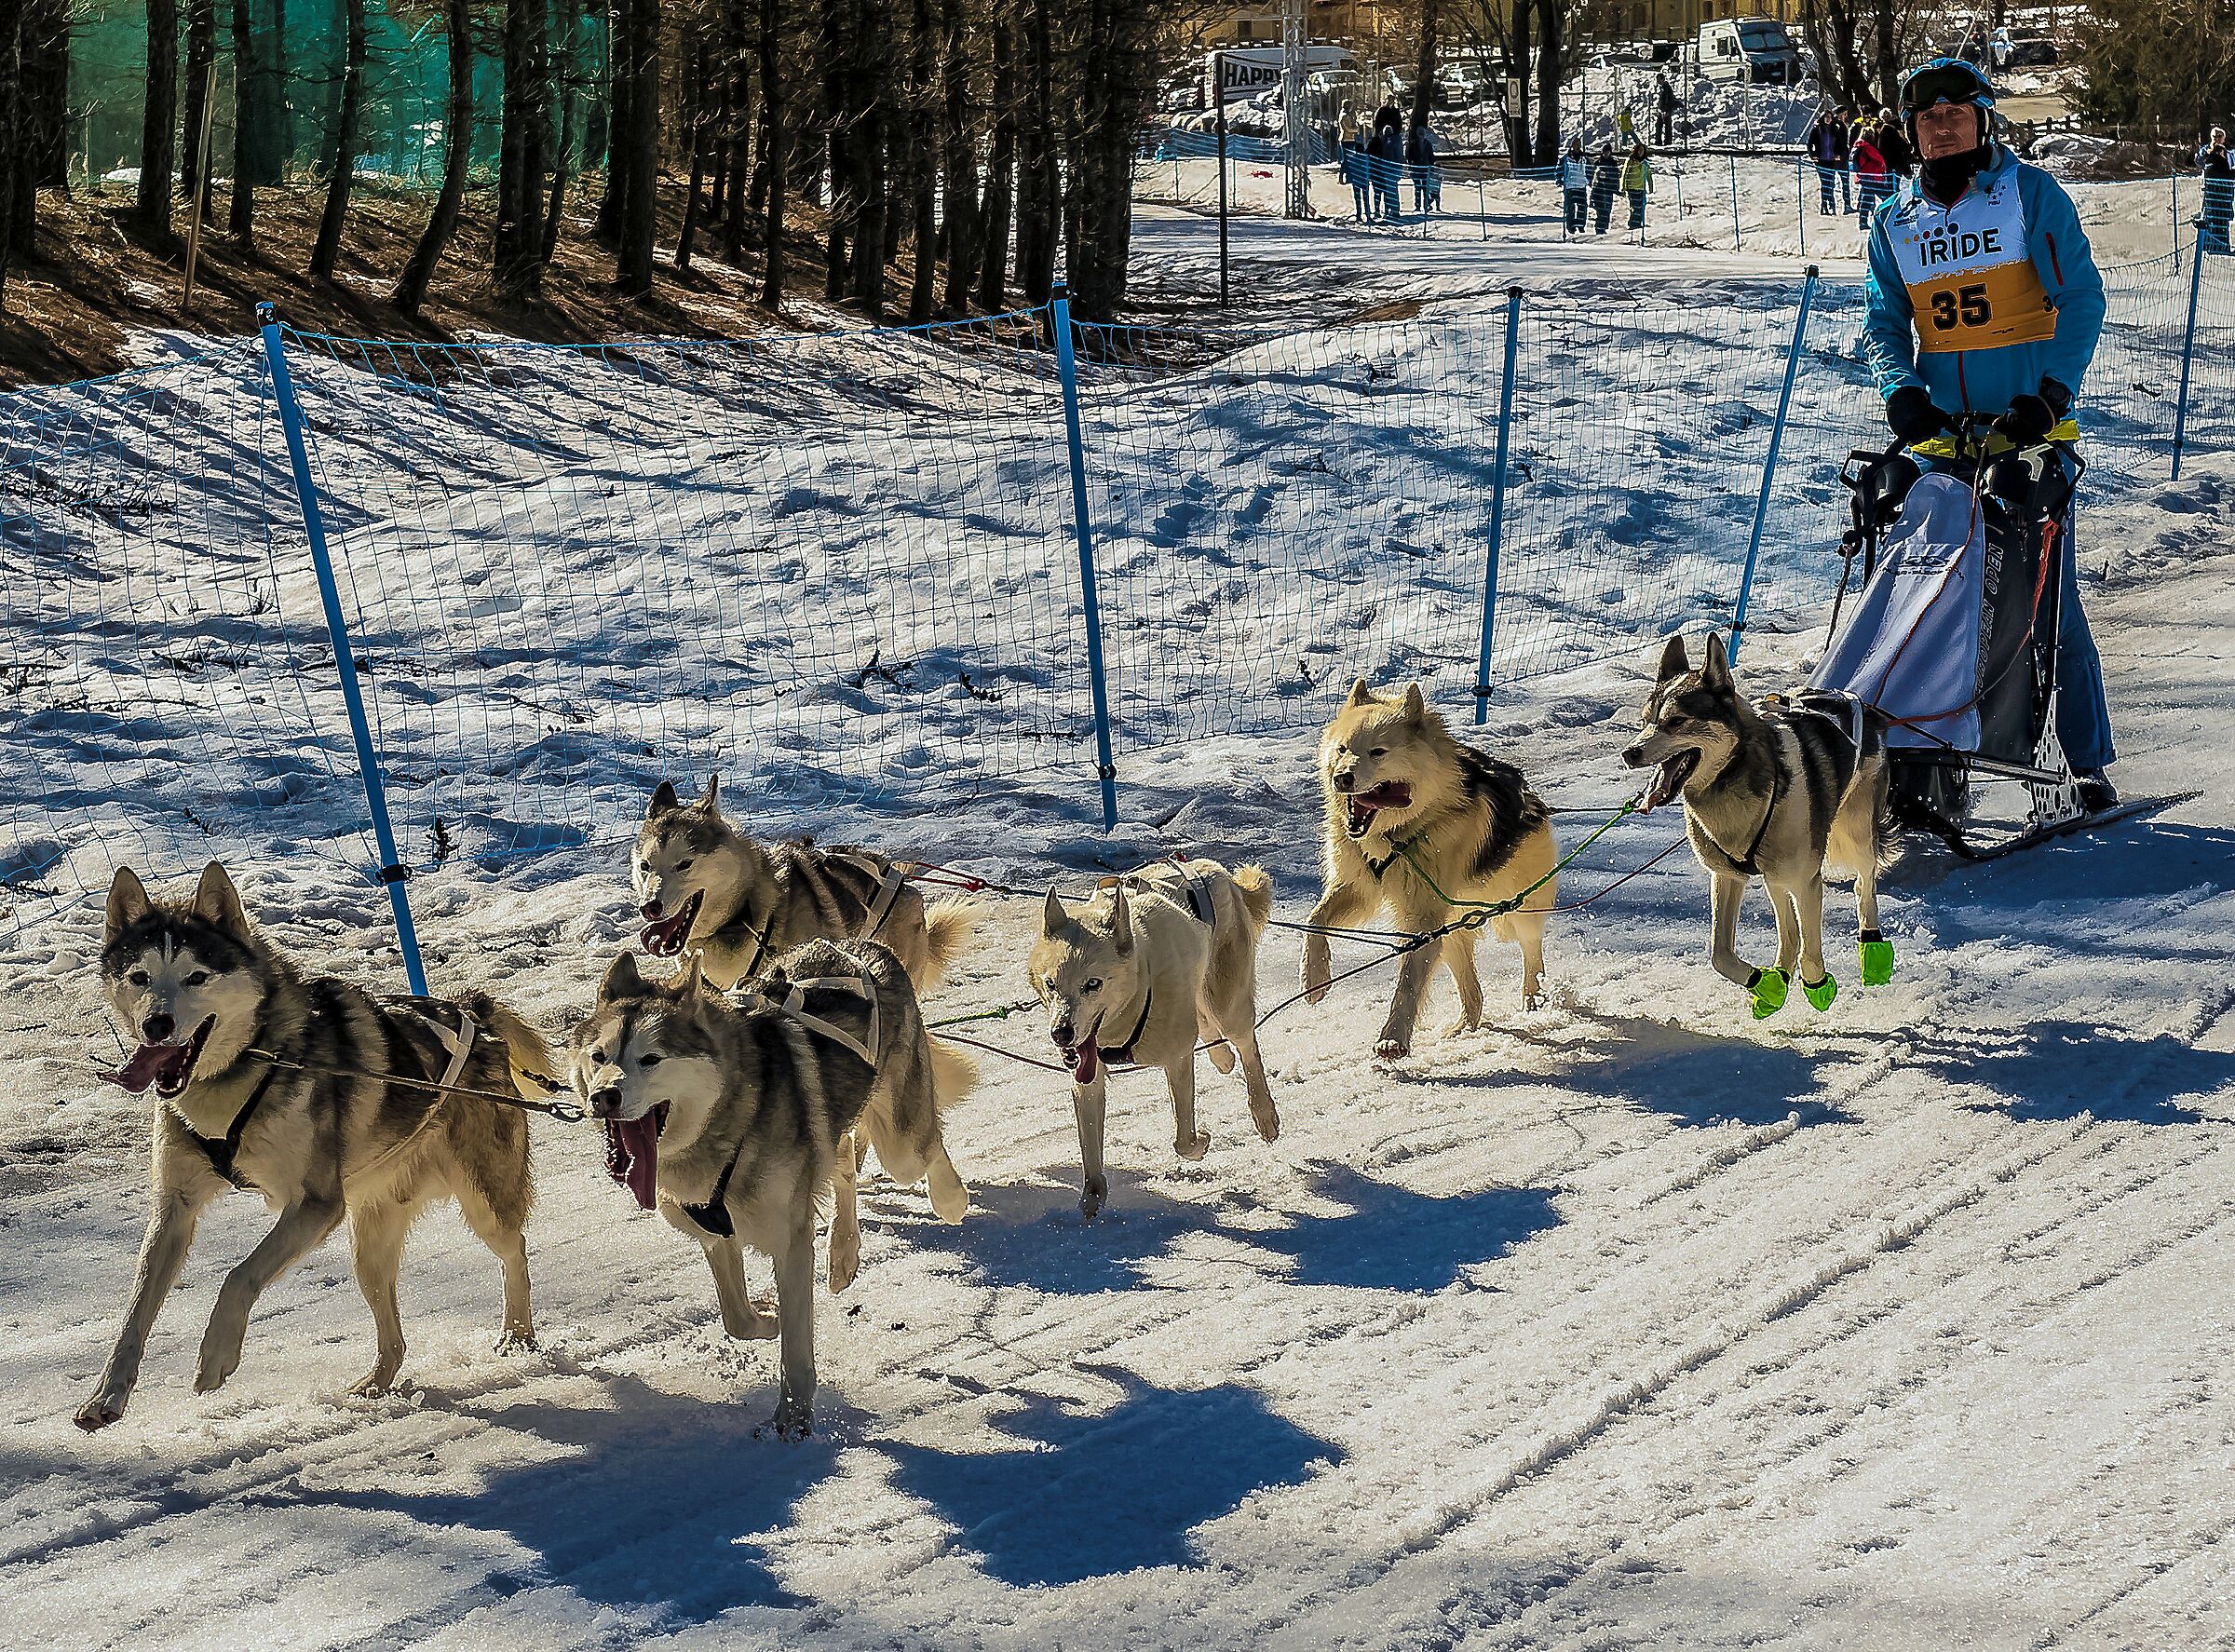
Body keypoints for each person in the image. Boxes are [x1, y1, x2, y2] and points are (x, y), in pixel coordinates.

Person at [1862, 57, 2117, 806]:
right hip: (1944, 437)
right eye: (1927, 118)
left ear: (1982, 119)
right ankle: (1929, 766)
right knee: (1930, 600)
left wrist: (2050, 394)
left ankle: (2086, 761)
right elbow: (1883, 322)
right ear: (1911, 133)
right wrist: (1900, 392)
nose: (1942, 127)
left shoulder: (2030, 195)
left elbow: (2083, 297)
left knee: (2047, 602)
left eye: (1956, 113)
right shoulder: (1895, 220)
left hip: (2027, 433)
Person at [1807, 105, 1852, 213]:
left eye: (1830, 117)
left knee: (1830, 183)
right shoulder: (1817, 128)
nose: (1828, 119)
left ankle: (1832, 206)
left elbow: (1839, 143)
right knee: (1825, 183)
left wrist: (1838, 154)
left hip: (1831, 160)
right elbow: (1810, 143)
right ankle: (1824, 206)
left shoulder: (1834, 128)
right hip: (1821, 160)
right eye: (1826, 117)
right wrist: (1812, 155)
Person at [2199, 128, 2232, 254]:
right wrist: (2213, 152)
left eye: (2220, 136)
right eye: (2215, 136)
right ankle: (2212, 245)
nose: (2217, 138)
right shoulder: (2207, 151)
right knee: (2212, 216)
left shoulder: (2229, 151)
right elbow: (2200, 161)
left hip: (2225, 191)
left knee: (2223, 217)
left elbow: (2230, 167)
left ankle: (2224, 245)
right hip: (2213, 191)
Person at [1851, 123, 1892, 227]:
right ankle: (1889, 217)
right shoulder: (1868, 147)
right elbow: (1880, 160)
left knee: (1867, 199)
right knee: (1887, 196)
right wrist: (1883, 168)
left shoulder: (1859, 145)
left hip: (1864, 176)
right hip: (1873, 176)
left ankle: (1863, 221)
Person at [1370, 113, 1406, 222]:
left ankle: (1393, 210)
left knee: (1390, 191)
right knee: (1393, 190)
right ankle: (1393, 209)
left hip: (1389, 170)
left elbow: (1389, 158)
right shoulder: (1397, 141)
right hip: (1395, 170)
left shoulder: (1389, 143)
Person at [1407, 115, 1442, 213]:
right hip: (1417, 170)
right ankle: (1418, 206)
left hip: (1426, 170)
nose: (1422, 135)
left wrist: (1432, 166)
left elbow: (1431, 156)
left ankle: (1426, 205)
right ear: (1418, 134)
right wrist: (1411, 166)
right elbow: (1410, 157)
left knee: (1426, 189)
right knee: (1417, 188)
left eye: (1423, 134)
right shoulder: (1413, 145)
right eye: (1420, 134)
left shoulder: (1428, 144)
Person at [1558, 135, 1590, 237]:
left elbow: (1590, 170)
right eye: (1576, 144)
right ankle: (1570, 226)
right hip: (1570, 186)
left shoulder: (1584, 158)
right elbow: (1559, 169)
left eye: (1579, 144)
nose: (1577, 146)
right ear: (1572, 145)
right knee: (1570, 207)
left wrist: (1589, 179)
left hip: (1581, 185)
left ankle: (1580, 225)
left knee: (1582, 206)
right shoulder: (1566, 158)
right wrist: (1560, 180)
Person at [1589, 142, 1620, 236]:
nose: (1606, 154)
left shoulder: (1613, 163)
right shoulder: (1598, 162)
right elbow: (1592, 175)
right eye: (1604, 152)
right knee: (1600, 209)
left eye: (1608, 152)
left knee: (1607, 210)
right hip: (1599, 190)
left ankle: (1604, 227)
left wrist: (1615, 188)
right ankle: (1599, 228)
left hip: (1608, 190)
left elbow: (1616, 176)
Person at [1340, 131, 1373, 223]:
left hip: (1356, 181)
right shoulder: (1366, 158)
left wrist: (1344, 177)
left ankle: (1359, 215)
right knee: (1366, 198)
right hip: (1364, 180)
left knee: (1357, 198)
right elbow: (1369, 169)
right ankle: (1368, 214)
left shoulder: (1352, 158)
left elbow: (1346, 167)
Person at [1623, 140, 1653, 231]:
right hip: (1631, 187)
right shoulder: (1630, 161)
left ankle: (1638, 222)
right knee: (1635, 206)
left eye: (1642, 150)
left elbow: (1648, 175)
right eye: (1639, 150)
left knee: (1641, 206)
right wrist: (1624, 186)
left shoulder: (1645, 163)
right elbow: (1625, 173)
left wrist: (1651, 187)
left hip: (1641, 187)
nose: (1641, 152)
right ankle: (1633, 223)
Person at [1655, 71, 1677, 147]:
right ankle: (1661, 141)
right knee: (1660, 125)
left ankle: (1666, 141)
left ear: (1662, 79)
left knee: (1665, 126)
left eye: (1658, 79)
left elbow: (1668, 99)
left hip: (1665, 110)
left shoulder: (1666, 88)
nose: (1657, 81)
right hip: (1662, 110)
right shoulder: (1663, 88)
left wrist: (1666, 109)